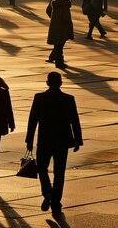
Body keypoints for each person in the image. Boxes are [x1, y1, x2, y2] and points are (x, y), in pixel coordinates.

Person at [26, 72, 82, 216]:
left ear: (47, 83)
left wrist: (29, 140)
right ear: (60, 83)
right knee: (59, 172)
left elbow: (33, 120)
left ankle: (47, 192)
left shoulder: (39, 98)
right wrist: (77, 140)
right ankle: (56, 202)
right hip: (62, 141)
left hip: (44, 140)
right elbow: (74, 121)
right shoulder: (68, 99)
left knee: (42, 168)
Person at [45, 0, 73, 69]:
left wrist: (53, 18)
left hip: (55, 25)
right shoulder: (66, 4)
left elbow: (48, 10)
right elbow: (66, 19)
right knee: (60, 45)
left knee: (57, 45)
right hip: (62, 27)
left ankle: (56, 59)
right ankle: (59, 62)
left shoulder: (53, 0)